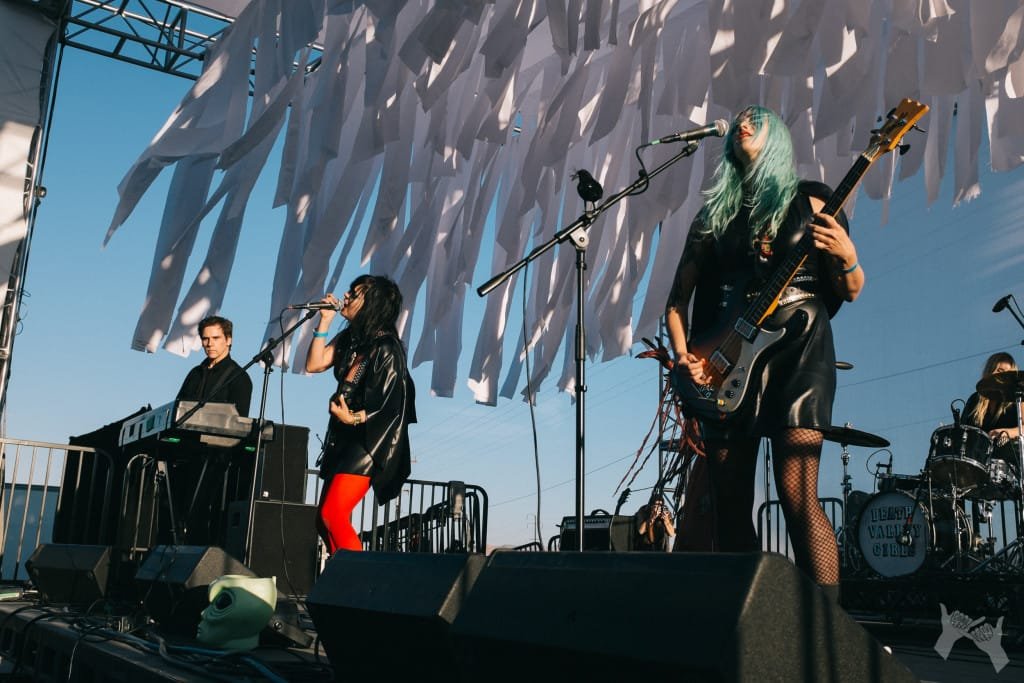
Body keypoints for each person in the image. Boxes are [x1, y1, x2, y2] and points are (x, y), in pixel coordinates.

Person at [664, 106, 865, 596]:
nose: (741, 123)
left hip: (798, 348)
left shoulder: (812, 200)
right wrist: (684, 355)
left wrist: (848, 257)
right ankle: (752, 628)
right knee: (730, 500)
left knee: (798, 492)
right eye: (737, 121)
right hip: (727, 358)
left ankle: (829, 634)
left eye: (755, 117)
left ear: (777, 135)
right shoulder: (712, 217)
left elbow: (853, 289)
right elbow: (676, 302)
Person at [306, 275, 416, 554]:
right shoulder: (351, 340)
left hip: (368, 441)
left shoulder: (387, 348)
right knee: (323, 520)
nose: (346, 296)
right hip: (343, 438)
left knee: (334, 514)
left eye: (355, 293)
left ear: (372, 303)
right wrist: (325, 322)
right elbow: (314, 364)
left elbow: (391, 405)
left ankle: (360, 584)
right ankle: (339, 582)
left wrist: (352, 418)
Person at [176, 315, 253, 416]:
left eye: (216, 338)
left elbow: (239, 424)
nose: (209, 343)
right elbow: (177, 410)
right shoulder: (195, 373)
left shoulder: (239, 377)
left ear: (228, 340)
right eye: (205, 339)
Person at [963, 352, 1020, 441]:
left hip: (1010, 453)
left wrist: (1007, 432)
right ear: (989, 371)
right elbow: (963, 431)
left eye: (1007, 373)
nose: (1002, 375)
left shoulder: (1018, 397)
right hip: (979, 454)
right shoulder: (975, 399)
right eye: (999, 370)